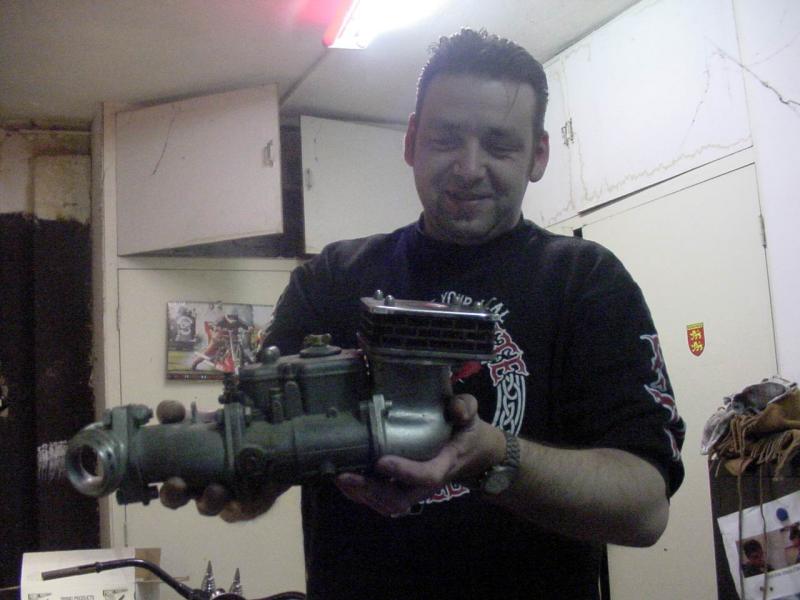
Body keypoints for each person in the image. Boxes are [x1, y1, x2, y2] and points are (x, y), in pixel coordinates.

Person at [161, 28, 685, 599]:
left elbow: (644, 508)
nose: (468, 167)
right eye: (445, 139)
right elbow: (260, 476)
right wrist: (230, 476)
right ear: (411, 141)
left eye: (499, 145)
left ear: (538, 155)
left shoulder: (587, 282)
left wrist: (494, 455)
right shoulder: (331, 279)